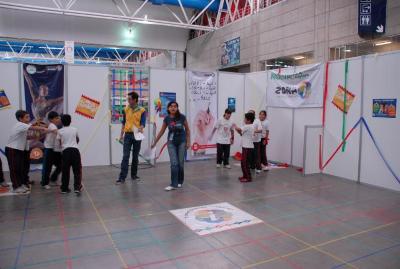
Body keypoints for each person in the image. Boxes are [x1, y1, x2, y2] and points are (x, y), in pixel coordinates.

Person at [5, 110, 52, 193]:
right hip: (12, 149)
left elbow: (28, 137)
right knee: (14, 169)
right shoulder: (20, 125)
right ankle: (16, 187)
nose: (29, 118)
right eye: (26, 117)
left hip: (19, 149)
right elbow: (33, 127)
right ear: (20, 118)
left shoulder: (24, 126)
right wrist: (45, 128)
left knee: (19, 168)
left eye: (28, 116)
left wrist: (42, 133)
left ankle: (21, 184)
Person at [151, 101, 191, 191]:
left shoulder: (182, 117)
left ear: (177, 108)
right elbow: (161, 131)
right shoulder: (167, 119)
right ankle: (173, 184)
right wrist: (155, 142)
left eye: (175, 106)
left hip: (182, 142)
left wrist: (188, 142)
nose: (173, 108)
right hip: (171, 142)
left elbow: (188, 130)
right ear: (168, 108)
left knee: (180, 163)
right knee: (174, 163)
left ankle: (180, 181)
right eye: (171, 106)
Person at [116, 92, 146, 184]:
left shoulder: (142, 110)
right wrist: (121, 135)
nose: (128, 100)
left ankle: (134, 175)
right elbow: (123, 123)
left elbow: (143, 123)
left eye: (129, 99)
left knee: (135, 156)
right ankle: (122, 177)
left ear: (135, 100)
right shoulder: (126, 109)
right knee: (125, 156)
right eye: (128, 99)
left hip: (137, 135)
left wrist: (140, 128)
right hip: (128, 135)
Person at [57, 114, 82, 194]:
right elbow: (77, 139)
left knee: (65, 171)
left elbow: (59, 142)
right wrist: (74, 144)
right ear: (70, 121)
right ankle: (77, 188)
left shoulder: (60, 131)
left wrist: (64, 146)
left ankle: (64, 188)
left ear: (61, 122)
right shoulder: (75, 129)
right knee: (77, 170)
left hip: (65, 152)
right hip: (75, 151)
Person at [41, 111, 62, 189]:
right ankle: (44, 183)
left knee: (61, 165)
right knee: (47, 167)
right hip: (49, 149)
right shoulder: (52, 125)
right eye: (57, 118)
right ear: (51, 119)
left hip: (55, 149)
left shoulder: (54, 126)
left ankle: (53, 179)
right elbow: (57, 133)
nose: (59, 119)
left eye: (59, 117)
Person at [234, 112, 255, 183]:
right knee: (243, 163)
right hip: (246, 147)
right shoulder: (249, 126)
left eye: (245, 118)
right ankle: (245, 176)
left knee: (245, 163)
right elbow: (241, 133)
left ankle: (248, 178)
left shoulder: (248, 126)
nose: (244, 119)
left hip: (247, 147)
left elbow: (239, 130)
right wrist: (237, 129)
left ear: (248, 120)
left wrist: (235, 127)